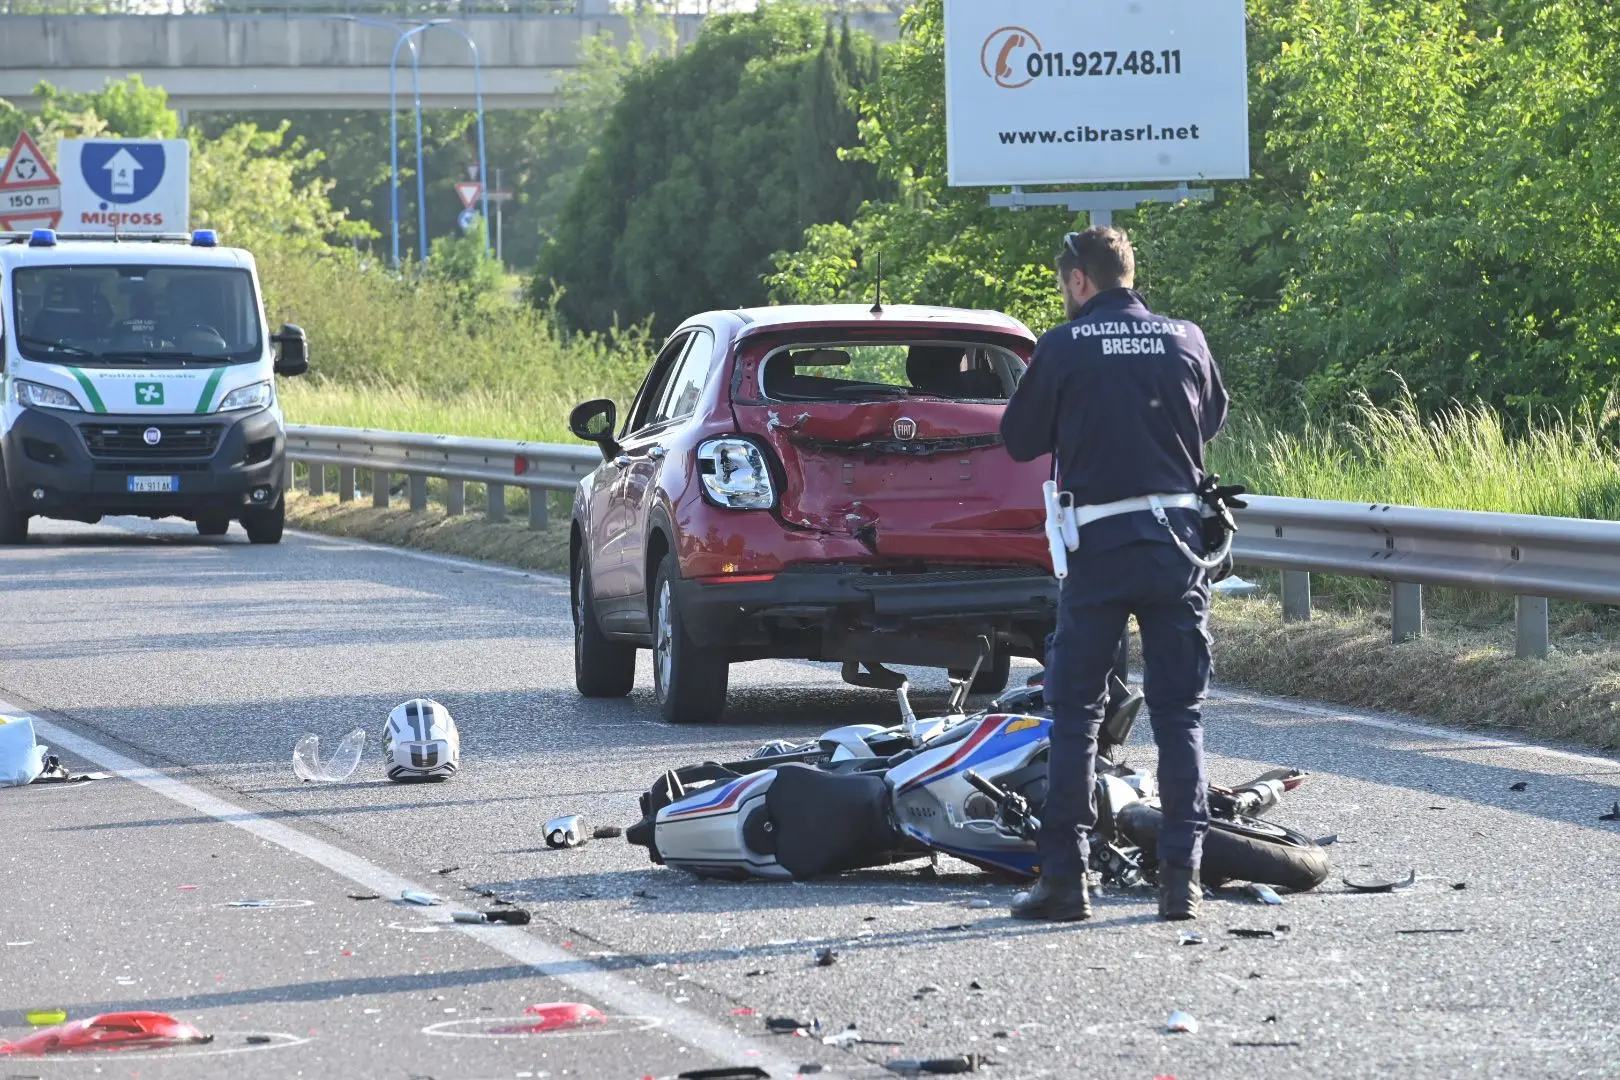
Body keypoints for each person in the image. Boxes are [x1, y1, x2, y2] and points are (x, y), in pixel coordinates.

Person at [1000, 226, 1229, 922]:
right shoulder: (1184, 337)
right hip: (1176, 548)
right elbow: (1211, 420)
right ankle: (1180, 884)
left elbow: (1018, 440)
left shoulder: (1064, 346)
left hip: (1098, 549)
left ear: (1078, 281)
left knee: (1074, 713)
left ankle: (1066, 882)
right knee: (1179, 714)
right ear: (1130, 274)